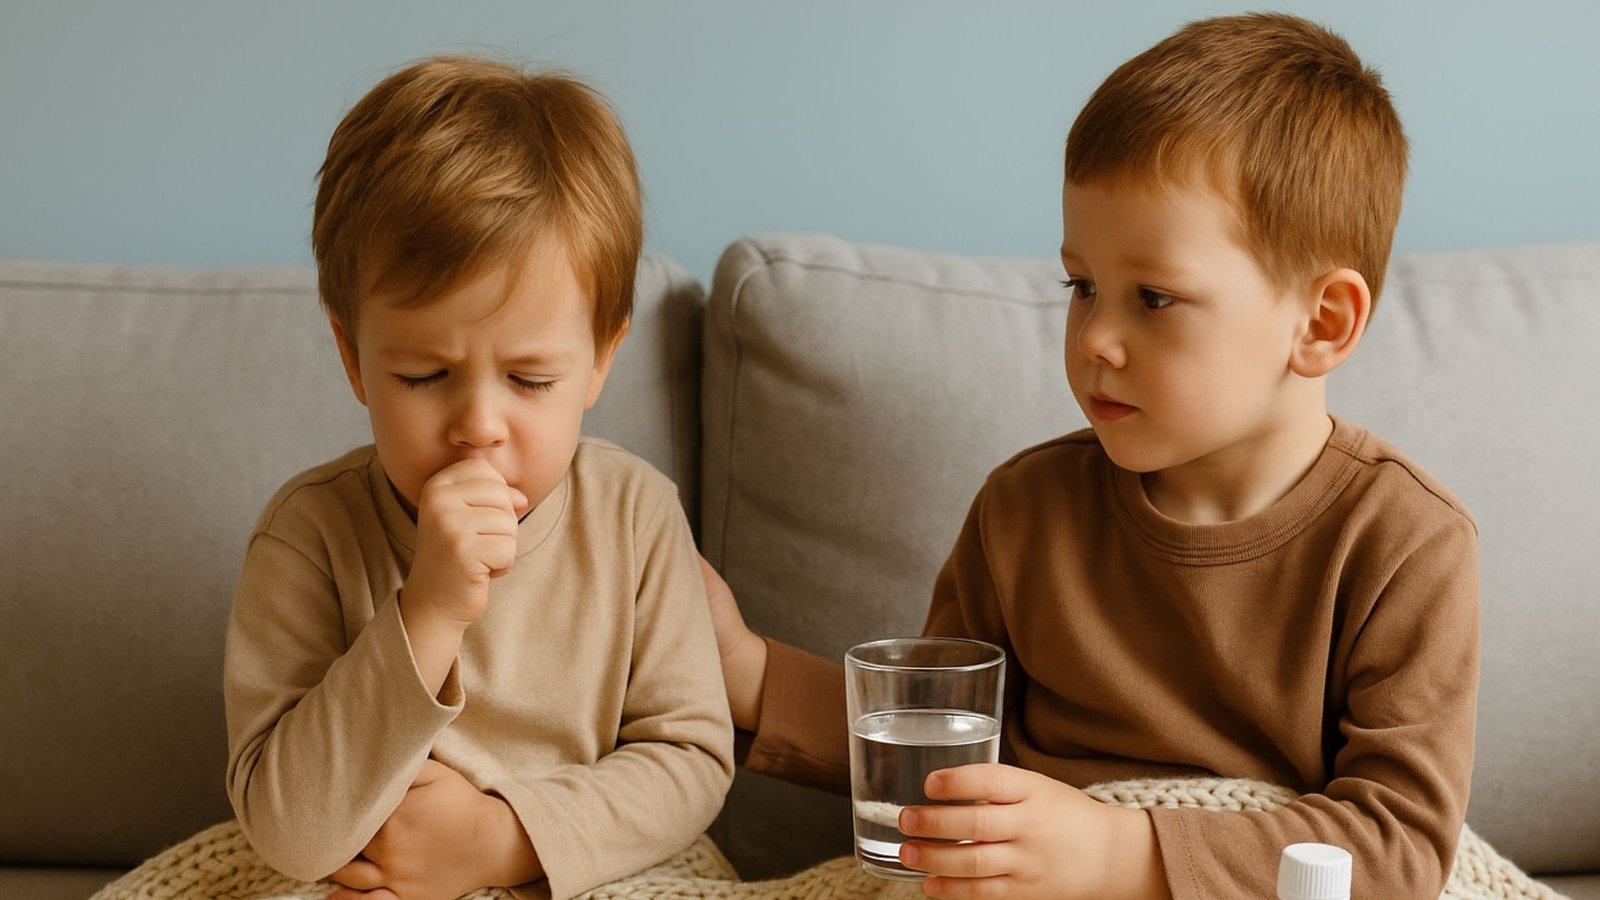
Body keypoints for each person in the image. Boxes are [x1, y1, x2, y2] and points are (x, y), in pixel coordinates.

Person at [704, 13, 1478, 900]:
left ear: (1321, 324)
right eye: (1081, 286)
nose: (1096, 338)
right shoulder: (1025, 510)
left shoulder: (1406, 545)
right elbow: (941, 762)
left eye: (1153, 298)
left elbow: (1398, 849)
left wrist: (1118, 854)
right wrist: (745, 671)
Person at [223, 56, 733, 900]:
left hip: (578, 877)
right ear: (353, 357)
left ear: (603, 358)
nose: (478, 426)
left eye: (531, 380)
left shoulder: (635, 516)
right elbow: (286, 827)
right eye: (424, 377)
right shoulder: (308, 537)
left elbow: (691, 761)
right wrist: (425, 611)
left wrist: (504, 840)